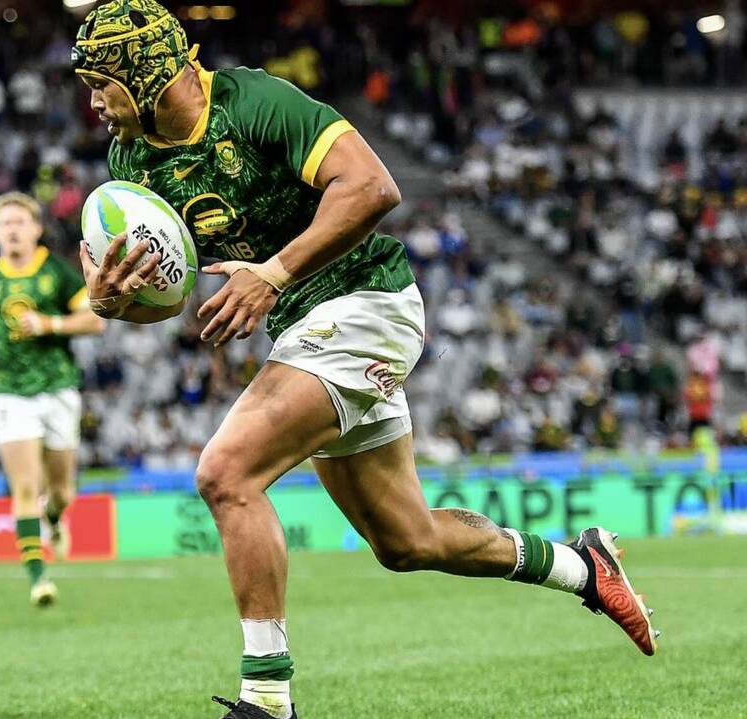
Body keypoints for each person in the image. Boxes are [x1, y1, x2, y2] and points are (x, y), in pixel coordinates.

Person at [72, 2, 658, 717]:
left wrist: (274, 273)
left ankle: (267, 697)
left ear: (146, 73)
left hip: (366, 301)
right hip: (304, 329)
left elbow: (374, 187)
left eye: (101, 83)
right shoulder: (133, 163)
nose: (92, 101)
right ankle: (582, 567)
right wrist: (113, 302)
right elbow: (168, 295)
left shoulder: (254, 102)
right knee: (407, 541)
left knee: (226, 473)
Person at [0, 192, 104, 606]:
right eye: (5, 223)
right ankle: (38, 578)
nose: (12, 229)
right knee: (25, 486)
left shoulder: (57, 272)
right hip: (11, 392)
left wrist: (48, 324)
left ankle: (55, 517)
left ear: (36, 229)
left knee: (61, 491)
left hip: (58, 387)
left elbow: (94, 320)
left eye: (19, 222)